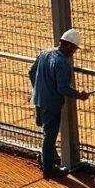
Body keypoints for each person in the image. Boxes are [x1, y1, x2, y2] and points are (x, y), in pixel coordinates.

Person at [28, 28, 89, 179]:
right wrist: (79, 95)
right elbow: (62, 88)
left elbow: (31, 72)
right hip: (51, 103)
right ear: (69, 46)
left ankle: (49, 159)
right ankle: (49, 168)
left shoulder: (45, 53)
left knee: (46, 132)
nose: (74, 52)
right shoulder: (62, 62)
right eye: (75, 49)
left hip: (38, 99)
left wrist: (39, 88)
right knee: (50, 136)